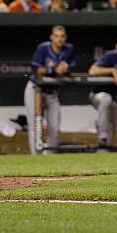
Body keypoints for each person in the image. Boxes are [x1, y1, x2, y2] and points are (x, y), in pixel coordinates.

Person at [24, 26, 75, 154]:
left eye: (62, 36)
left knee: (55, 127)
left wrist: (66, 68)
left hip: (52, 92)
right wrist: (54, 70)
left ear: (65, 38)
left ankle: (51, 157)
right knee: (35, 125)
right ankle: (36, 156)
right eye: (56, 36)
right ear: (51, 37)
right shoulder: (43, 48)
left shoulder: (69, 49)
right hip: (35, 90)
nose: (59, 39)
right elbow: (37, 69)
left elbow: (70, 66)